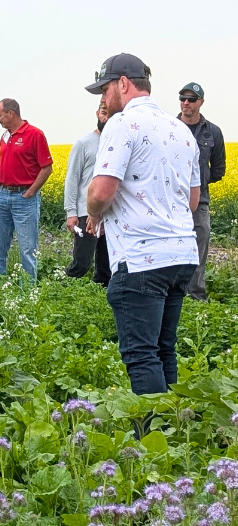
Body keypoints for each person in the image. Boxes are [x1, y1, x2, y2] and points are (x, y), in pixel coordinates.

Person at [84, 54, 200, 397]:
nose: (104, 99)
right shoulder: (180, 129)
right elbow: (191, 201)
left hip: (141, 257)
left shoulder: (122, 124)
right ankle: (176, 434)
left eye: (105, 89)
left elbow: (101, 191)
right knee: (164, 349)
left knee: (141, 354)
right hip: (181, 254)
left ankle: (153, 440)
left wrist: (94, 211)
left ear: (123, 83)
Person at [0, 98, 53, 282]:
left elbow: (47, 167)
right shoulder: (5, 136)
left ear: (11, 113)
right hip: (2, 197)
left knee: (27, 247)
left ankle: (27, 291)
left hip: (24, 198)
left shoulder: (35, 134)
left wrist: (31, 191)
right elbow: (3, 162)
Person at [179, 82, 226, 301]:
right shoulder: (170, 127)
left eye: (191, 99)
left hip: (200, 203)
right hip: (172, 200)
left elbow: (218, 170)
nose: (185, 103)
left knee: (199, 249)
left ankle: (196, 298)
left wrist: (199, 184)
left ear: (201, 102)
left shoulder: (213, 132)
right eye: (182, 98)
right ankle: (174, 296)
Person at [63, 99, 110, 283]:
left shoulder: (119, 143)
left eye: (110, 113)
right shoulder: (84, 143)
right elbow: (72, 179)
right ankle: (64, 291)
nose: (106, 117)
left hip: (110, 215)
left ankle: (100, 302)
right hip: (85, 213)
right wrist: (71, 212)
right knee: (82, 263)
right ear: (97, 113)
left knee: (106, 268)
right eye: (103, 112)